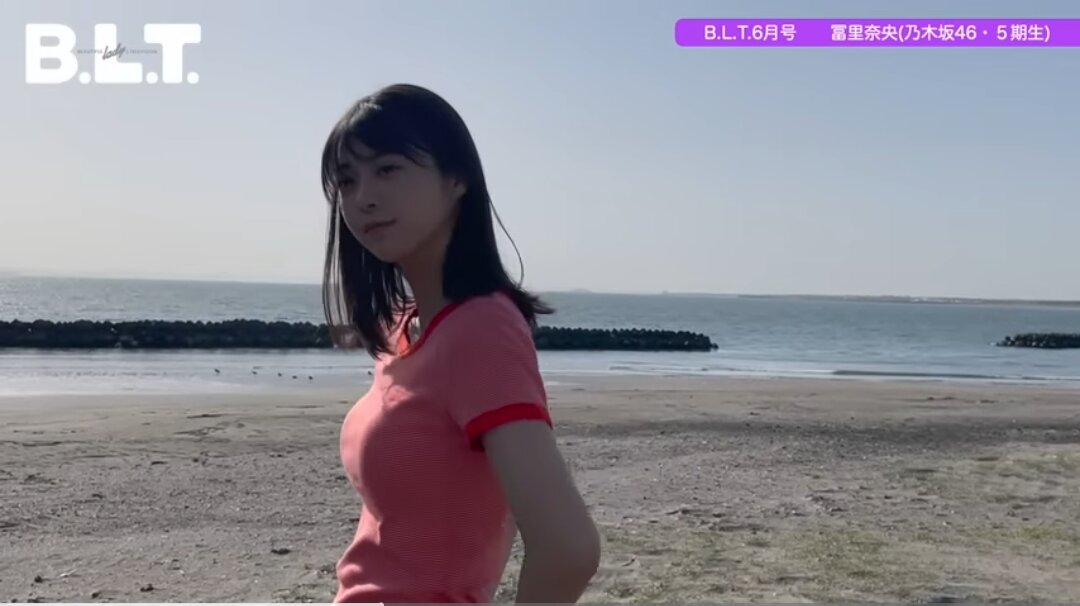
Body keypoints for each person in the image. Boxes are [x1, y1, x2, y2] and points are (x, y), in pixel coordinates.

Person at [319, 83, 601, 603]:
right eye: (347, 179)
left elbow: (569, 548)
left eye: (387, 169)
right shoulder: (406, 330)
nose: (364, 197)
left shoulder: (481, 328)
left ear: (457, 179)